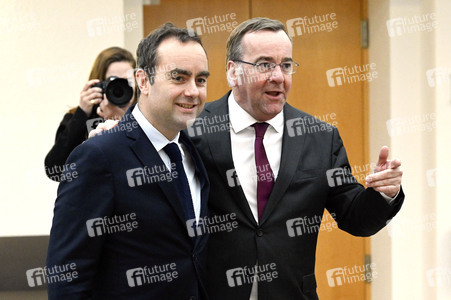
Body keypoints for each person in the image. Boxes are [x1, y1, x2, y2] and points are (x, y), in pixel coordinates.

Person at [188, 17, 404, 299]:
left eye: (286, 65)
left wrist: (383, 194)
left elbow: (353, 217)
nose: (278, 76)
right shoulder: (193, 131)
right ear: (233, 72)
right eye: (265, 64)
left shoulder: (319, 137)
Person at [46, 23, 210, 299]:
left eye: (201, 79)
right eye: (179, 78)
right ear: (143, 81)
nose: (193, 91)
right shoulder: (98, 156)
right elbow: (67, 277)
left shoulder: (193, 152)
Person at [44, 46, 136, 182]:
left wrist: (121, 120)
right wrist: (82, 114)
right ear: (99, 84)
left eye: (127, 81)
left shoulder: (147, 117)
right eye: (114, 81)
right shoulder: (82, 118)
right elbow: (55, 170)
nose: (121, 87)